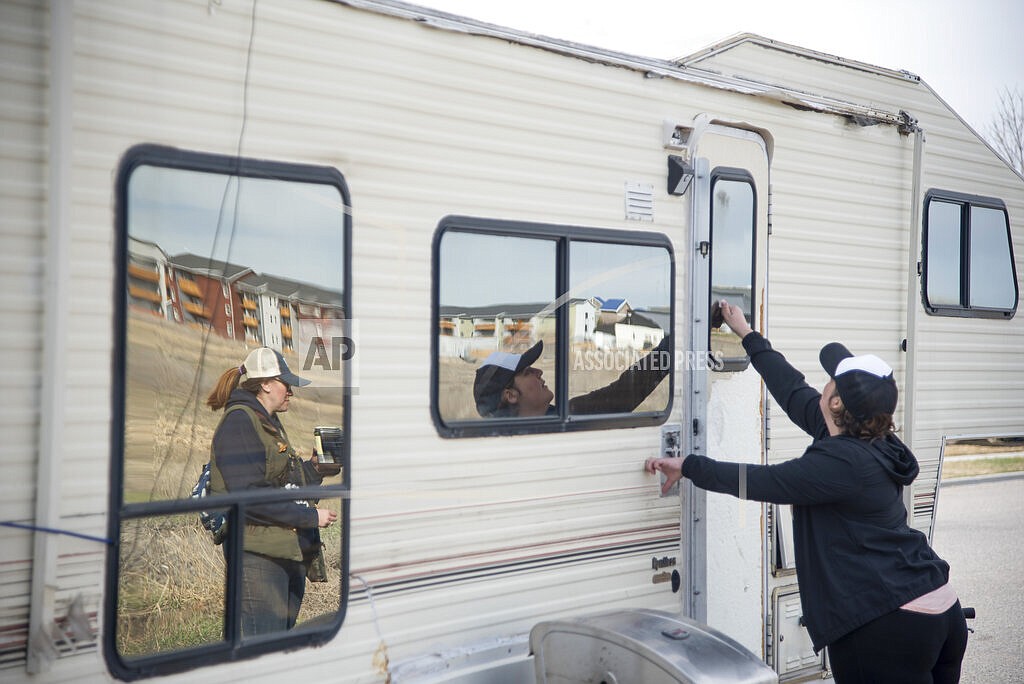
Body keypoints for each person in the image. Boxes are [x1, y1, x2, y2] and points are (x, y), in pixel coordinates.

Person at [644, 302, 967, 684]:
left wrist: (689, 466)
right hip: (938, 607)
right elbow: (793, 391)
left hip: (889, 623)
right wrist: (747, 335)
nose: (825, 381)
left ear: (835, 402)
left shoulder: (842, 463)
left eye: (831, 379)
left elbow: (762, 481)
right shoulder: (870, 438)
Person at [205, 346, 338, 636]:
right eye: (285, 383)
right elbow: (251, 499)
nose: (290, 390)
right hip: (259, 560)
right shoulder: (240, 422)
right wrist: (310, 517)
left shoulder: (267, 422)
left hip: (282, 552)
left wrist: (316, 469)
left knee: (280, 648)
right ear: (265, 384)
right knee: (264, 651)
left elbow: (280, 485)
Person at [473, 334, 671, 418]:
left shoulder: (566, 414)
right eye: (527, 372)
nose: (539, 372)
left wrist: (668, 349)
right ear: (511, 395)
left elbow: (624, 394)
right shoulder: (503, 447)